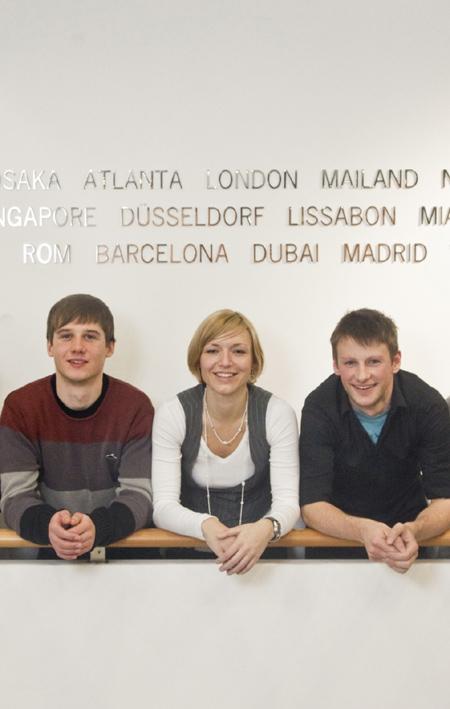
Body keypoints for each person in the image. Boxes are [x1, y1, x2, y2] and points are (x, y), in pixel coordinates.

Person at [0, 294, 153, 559]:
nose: (77, 347)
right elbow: (14, 497)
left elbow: (139, 496)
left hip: (124, 555)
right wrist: (50, 526)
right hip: (46, 558)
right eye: (66, 336)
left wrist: (97, 528)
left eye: (90, 336)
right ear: (50, 346)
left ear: (110, 347)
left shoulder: (135, 406)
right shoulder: (20, 406)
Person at [300, 308, 450, 573]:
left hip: (410, 544)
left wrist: (415, 530)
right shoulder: (318, 406)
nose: (362, 376)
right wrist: (361, 530)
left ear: (395, 361)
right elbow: (312, 505)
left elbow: (445, 500)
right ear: (335, 365)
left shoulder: (428, 404)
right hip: (336, 542)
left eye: (373, 362)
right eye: (350, 363)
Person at [152, 309, 300, 574]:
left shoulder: (277, 413)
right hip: (184, 563)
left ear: (254, 362)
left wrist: (266, 528)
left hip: (266, 562)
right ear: (198, 359)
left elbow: (288, 502)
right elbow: (163, 507)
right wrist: (205, 525)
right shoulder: (173, 413)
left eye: (239, 351)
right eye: (212, 350)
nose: (225, 361)